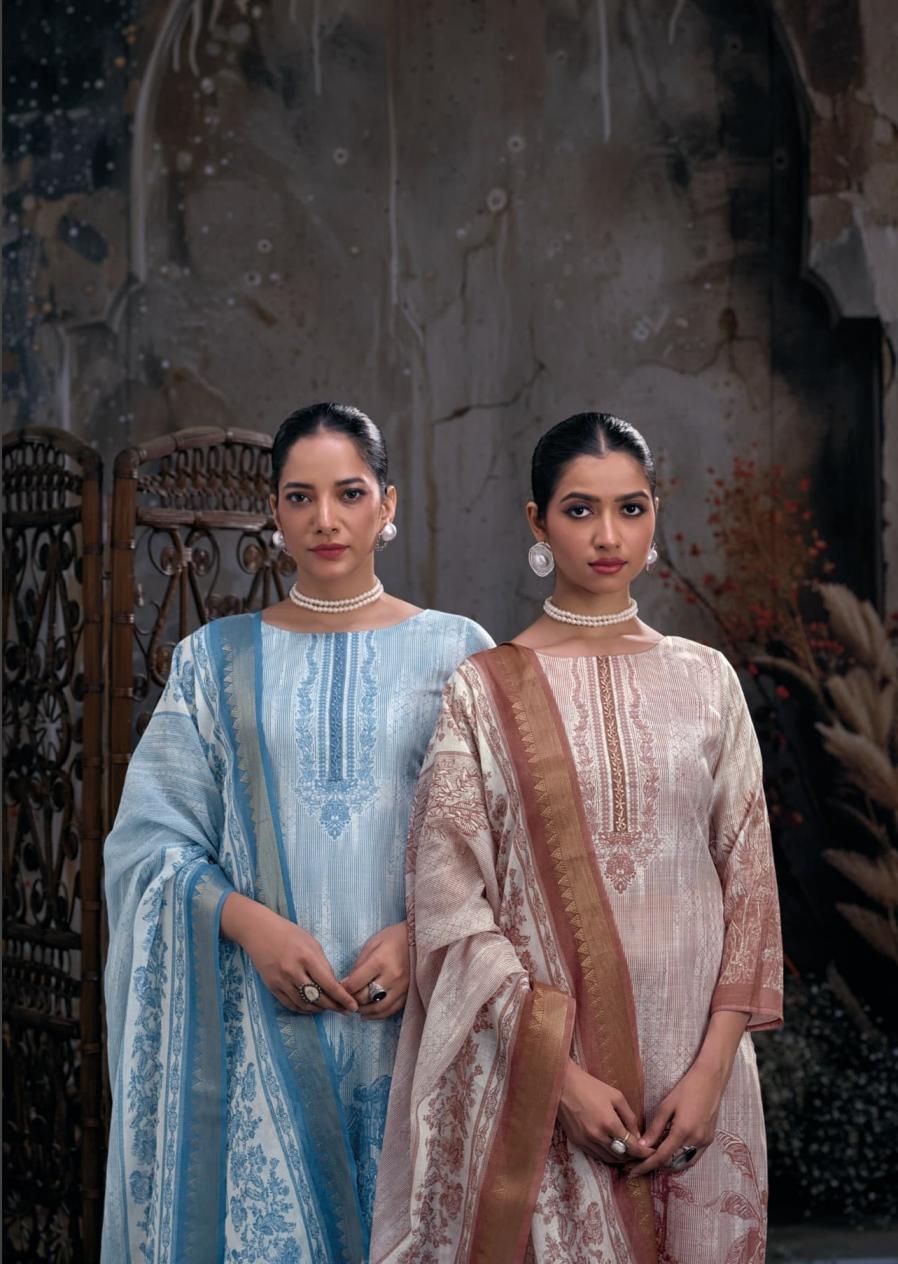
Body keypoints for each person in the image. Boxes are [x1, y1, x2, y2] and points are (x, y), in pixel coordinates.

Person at [371, 412, 782, 1264]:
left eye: (631, 509)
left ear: (655, 512)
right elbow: (449, 910)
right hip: (553, 1083)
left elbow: (749, 885)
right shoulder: (483, 692)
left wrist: (713, 1072)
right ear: (537, 522)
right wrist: (557, 1082)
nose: (608, 536)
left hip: (702, 1077)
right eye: (579, 510)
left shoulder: (707, 680)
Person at [102, 403, 493, 1264]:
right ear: (273, 513)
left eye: (349, 493)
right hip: (259, 1027)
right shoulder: (213, 660)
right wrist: (251, 927)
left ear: (387, 505)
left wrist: (422, 934)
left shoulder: (457, 654)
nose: (325, 519)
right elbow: (148, 845)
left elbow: (506, 845)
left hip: (415, 1024)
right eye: (299, 497)